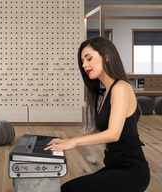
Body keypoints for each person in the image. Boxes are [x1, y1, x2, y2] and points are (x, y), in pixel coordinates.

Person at [45, 37, 150, 192]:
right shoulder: (107, 91)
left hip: (131, 171)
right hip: (114, 166)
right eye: (82, 61)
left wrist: (74, 142)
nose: (84, 65)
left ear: (106, 57)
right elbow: (101, 130)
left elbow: (113, 134)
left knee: (69, 189)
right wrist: (67, 141)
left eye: (89, 58)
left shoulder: (120, 88)